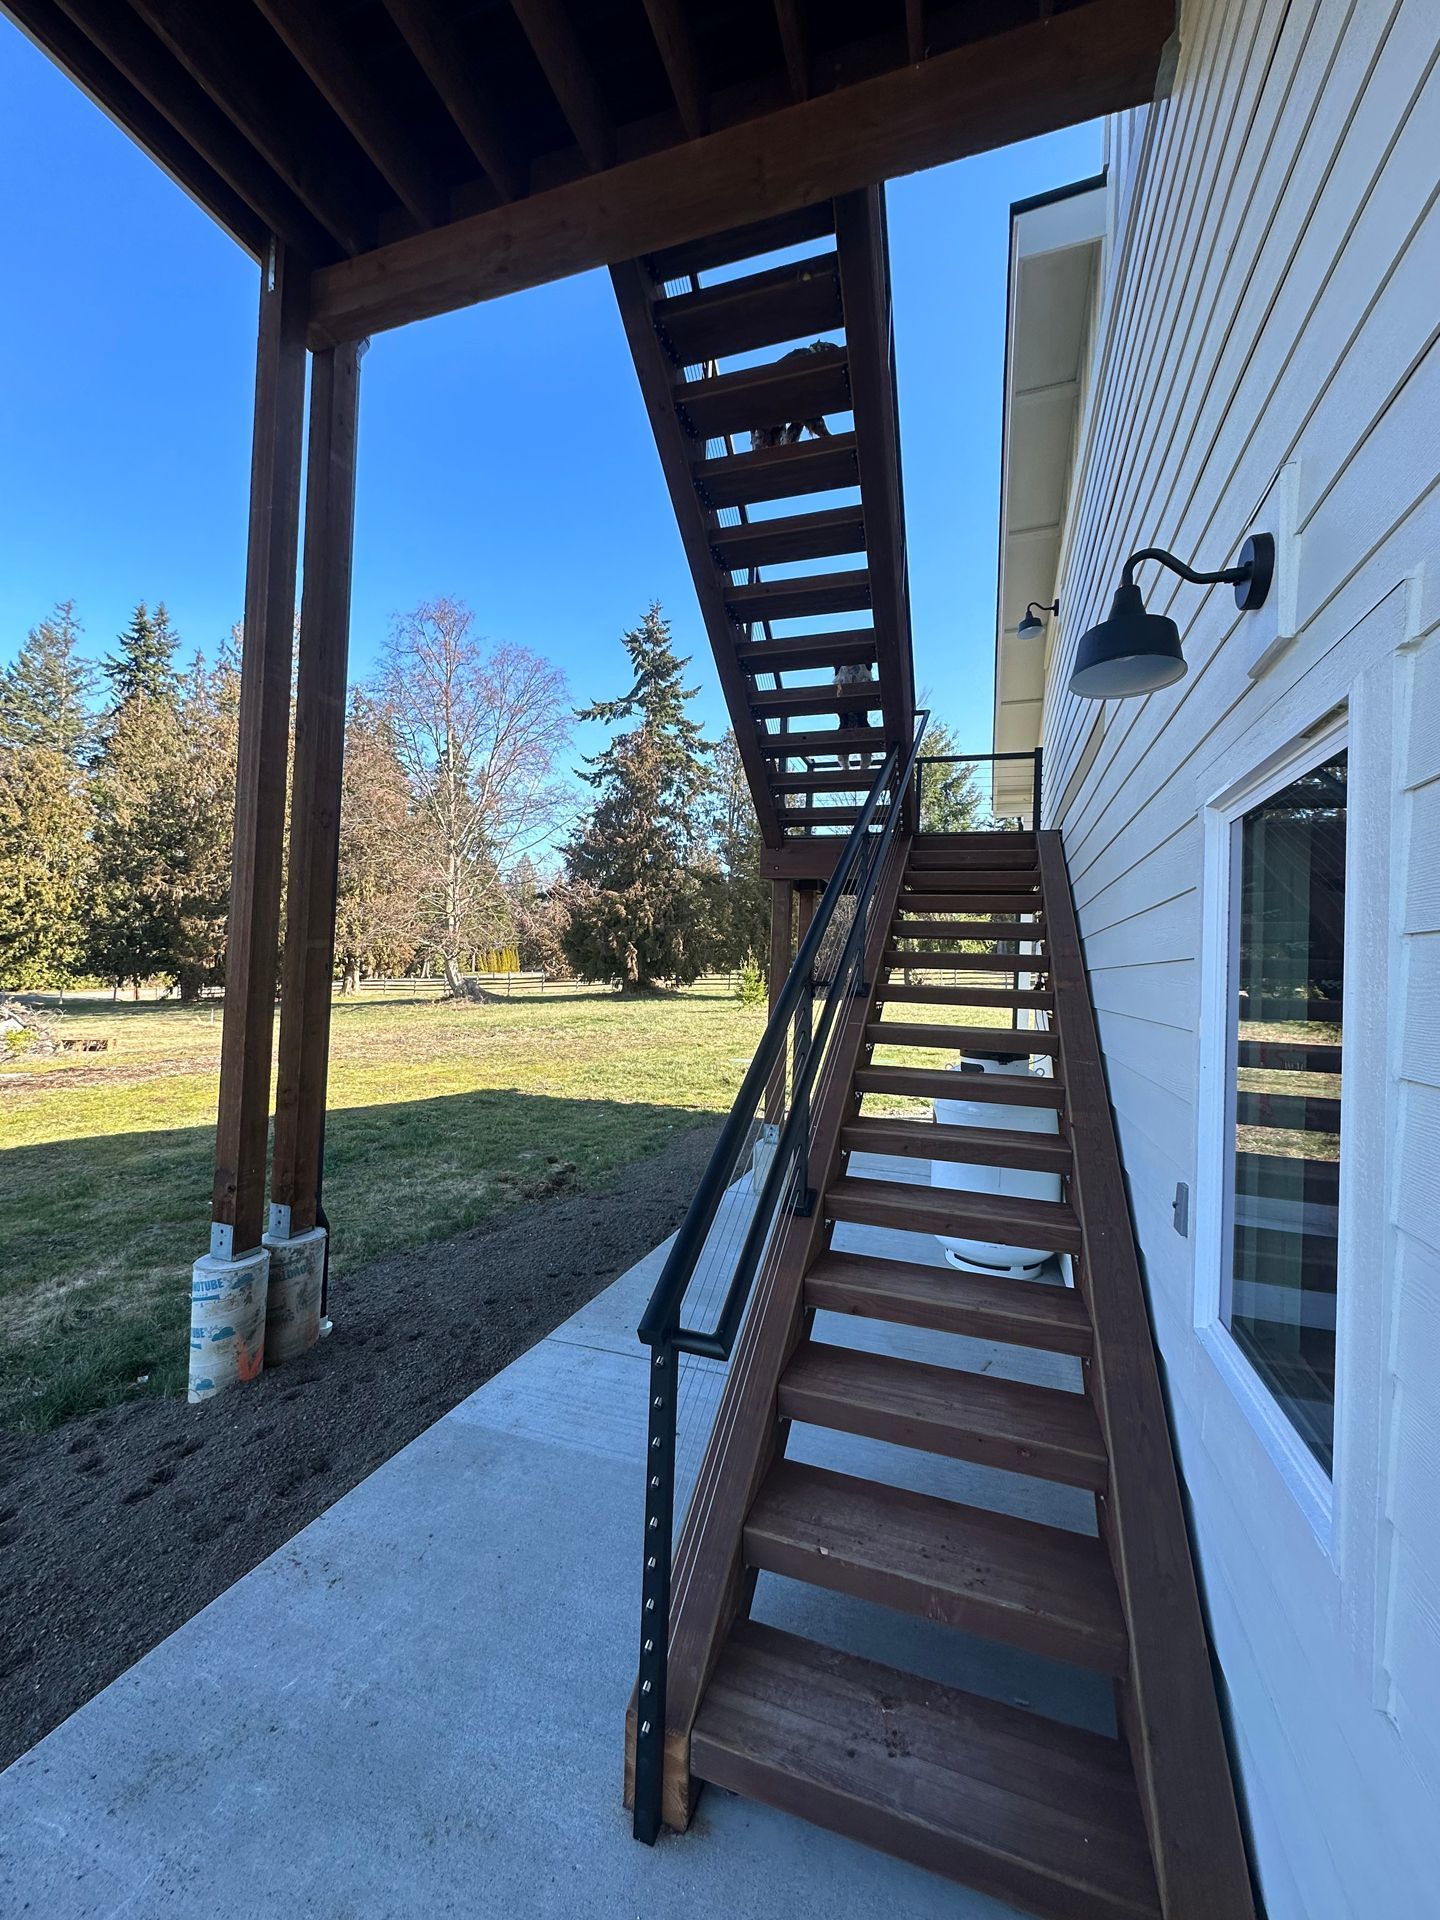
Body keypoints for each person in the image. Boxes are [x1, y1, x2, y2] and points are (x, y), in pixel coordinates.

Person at [835, 660, 875, 770]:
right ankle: (847, 761)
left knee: (855, 721)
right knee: (851, 722)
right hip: (846, 687)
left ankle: (861, 759)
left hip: (853, 686)